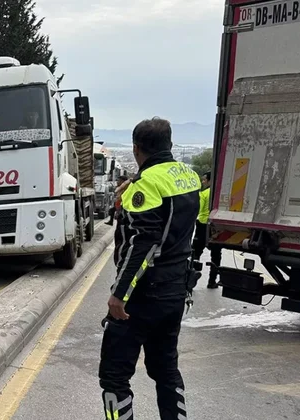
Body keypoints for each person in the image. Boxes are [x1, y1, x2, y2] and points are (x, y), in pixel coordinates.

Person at [99, 117, 200, 420]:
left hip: (143, 295)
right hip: (175, 290)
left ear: (136, 148)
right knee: (166, 370)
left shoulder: (146, 185)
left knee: (114, 378)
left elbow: (142, 244)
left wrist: (120, 294)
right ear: (170, 144)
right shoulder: (188, 176)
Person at [191, 171, 222, 289]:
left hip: (202, 225)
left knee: (196, 253)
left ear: (210, 180)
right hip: (215, 228)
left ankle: (191, 280)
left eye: (204, 179)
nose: (202, 182)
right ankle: (212, 281)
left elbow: (197, 210)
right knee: (216, 255)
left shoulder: (203, 194)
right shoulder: (220, 195)